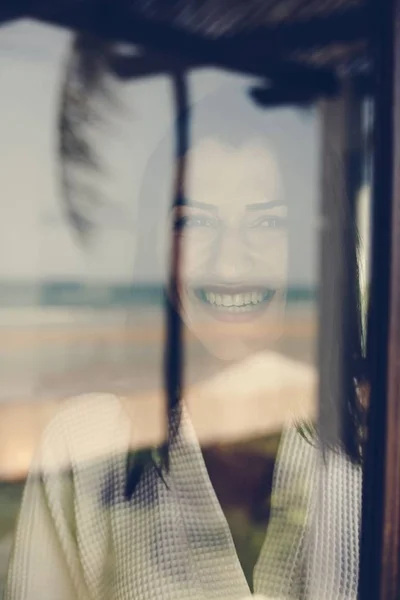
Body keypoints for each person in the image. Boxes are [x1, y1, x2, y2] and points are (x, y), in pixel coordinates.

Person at [4, 49, 365, 600]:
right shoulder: (86, 445)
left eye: (268, 222)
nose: (228, 263)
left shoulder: (373, 449)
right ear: (156, 244)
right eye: (195, 222)